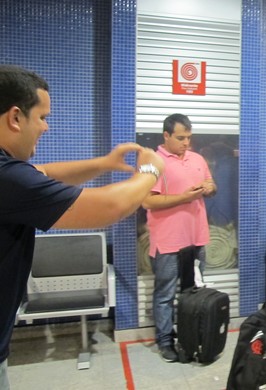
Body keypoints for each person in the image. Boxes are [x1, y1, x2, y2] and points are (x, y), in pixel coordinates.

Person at [0, 65, 165, 389]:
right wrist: (151, 170)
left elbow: (43, 173)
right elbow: (110, 207)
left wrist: (103, 164)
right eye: (42, 117)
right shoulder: (6, 177)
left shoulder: (11, 173)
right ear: (16, 117)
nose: (46, 128)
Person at [142, 113, 216, 363]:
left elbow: (211, 184)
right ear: (166, 135)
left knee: (193, 291)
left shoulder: (197, 158)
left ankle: (190, 338)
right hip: (168, 240)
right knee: (165, 293)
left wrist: (209, 188)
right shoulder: (152, 162)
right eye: (181, 138)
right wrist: (184, 197)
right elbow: (147, 201)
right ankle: (165, 341)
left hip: (197, 238)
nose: (186, 143)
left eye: (189, 138)